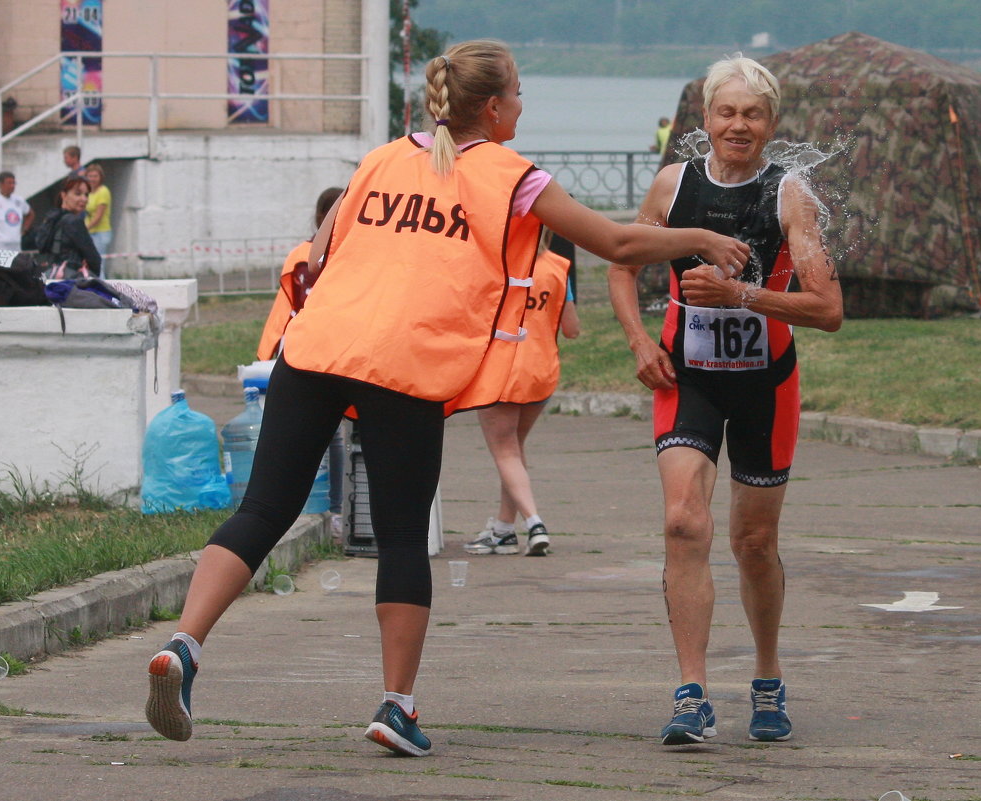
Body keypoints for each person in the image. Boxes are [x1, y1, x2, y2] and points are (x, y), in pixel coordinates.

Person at [144, 38, 750, 759]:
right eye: (518, 93)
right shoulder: (513, 176)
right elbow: (617, 242)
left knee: (263, 509)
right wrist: (703, 236)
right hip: (405, 364)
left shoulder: (381, 158)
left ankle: (184, 646)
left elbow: (315, 253)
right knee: (402, 534)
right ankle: (395, 706)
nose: (522, 104)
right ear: (492, 107)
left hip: (316, 350)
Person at [608, 55, 842, 746]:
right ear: (704, 118)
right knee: (683, 523)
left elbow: (827, 307)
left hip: (765, 384)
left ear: (771, 123)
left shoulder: (787, 194)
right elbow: (622, 265)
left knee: (752, 541)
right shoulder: (671, 186)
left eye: (753, 114)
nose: (738, 125)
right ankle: (691, 693)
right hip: (688, 380)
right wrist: (636, 341)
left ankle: (766, 677)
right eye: (726, 112)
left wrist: (741, 294)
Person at [464, 230, 581, 557]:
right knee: (513, 451)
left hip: (499, 373)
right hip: (540, 372)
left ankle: (534, 523)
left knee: (505, 452)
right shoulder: (558, 266)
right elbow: (572, 329)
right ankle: (503, 529)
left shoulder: (491, 264)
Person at [257, 185, 347, 533]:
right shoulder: (303, 255)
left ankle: (335, 509)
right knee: (311, 437)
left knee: (335, 438)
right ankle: (312, 509)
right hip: (306, 354)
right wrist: (270, 350)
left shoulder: (350, 253)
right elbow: (287, 305)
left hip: (339, 354)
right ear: (323, 218)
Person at [34, 174, 103, 278]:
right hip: (71, 280)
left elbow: (41, 246)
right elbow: (94, 258)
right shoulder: (74, 221)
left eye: (86, 195)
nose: (84, 199)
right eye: (78, 194)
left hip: (49, 276)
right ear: (64, 195)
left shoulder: (51, 218)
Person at [84, 163, 112, 278]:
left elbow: (98, 216)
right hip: (90, 232)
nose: (92, 179)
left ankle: (102, 284)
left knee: (99, 263)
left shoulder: (103, 191)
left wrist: (85, 228)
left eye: (95, 176)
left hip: (100, 232)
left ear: (100, 177)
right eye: (90, 176)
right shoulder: (88, 192)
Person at [0, 171, 34, 251]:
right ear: (1, 184)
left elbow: (30, 214)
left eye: (14, 183)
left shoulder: (19, 200)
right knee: (1, 263)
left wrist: (25, 230)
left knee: (15, 263)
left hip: (15, 245)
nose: (12, 186)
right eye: (9, 183)